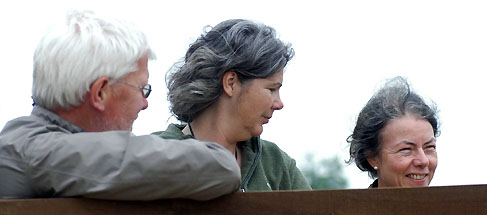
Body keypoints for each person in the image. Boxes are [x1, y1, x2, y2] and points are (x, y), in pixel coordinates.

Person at [0, 10, 241, 200]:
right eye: (142, 89)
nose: (145, 104)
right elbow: (220, 167)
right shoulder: (38, 152)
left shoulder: (25, 145)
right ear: (100, 93)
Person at [153, 19, 311, 191]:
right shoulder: (154, 159)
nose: (279, 104)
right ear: (231, 83)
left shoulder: (276, 164)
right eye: (272, 89)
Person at [347, 77, 440, 188]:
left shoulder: (456, 205)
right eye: (406, 149)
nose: (424, 161)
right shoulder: (348, 205)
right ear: (372, 157)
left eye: (429, 147)